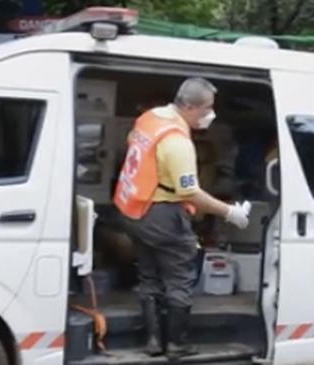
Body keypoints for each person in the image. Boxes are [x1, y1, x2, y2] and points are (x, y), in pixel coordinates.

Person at [113, 77, 251, 360]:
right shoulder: (177, 141)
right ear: (188, 106)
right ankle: (176, 344)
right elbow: (189, 192)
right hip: (163, 216)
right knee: (179, 279)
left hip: (135, 209)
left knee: (149, 276)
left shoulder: (150, 118)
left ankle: (152, 342)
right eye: (206, 108)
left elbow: (133, 145)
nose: (210, 114)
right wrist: (230, 212)